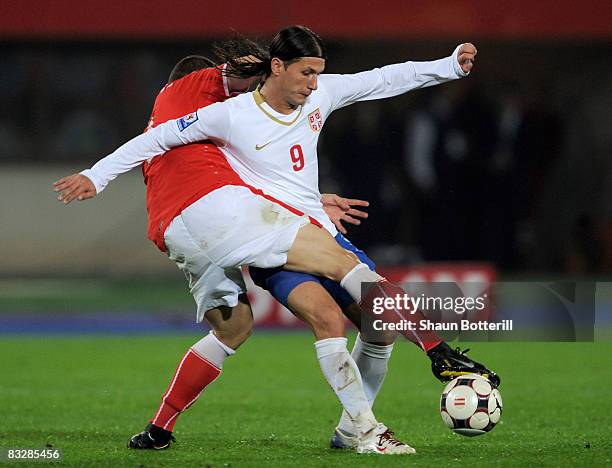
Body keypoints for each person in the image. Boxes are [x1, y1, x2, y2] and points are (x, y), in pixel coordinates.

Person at [54, 25, 499, 454]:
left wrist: (448, 66)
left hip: (290, 229)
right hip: (267, 232)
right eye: (306, 72)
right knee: (341, 297)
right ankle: (421, 368)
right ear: (279, 67)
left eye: (318, 73)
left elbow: (384, 79)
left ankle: (351, 429)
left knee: (360, 328)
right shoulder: (229, 115)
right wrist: (97, 175)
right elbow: (158, 138)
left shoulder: (320, 94)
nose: (314, 83)